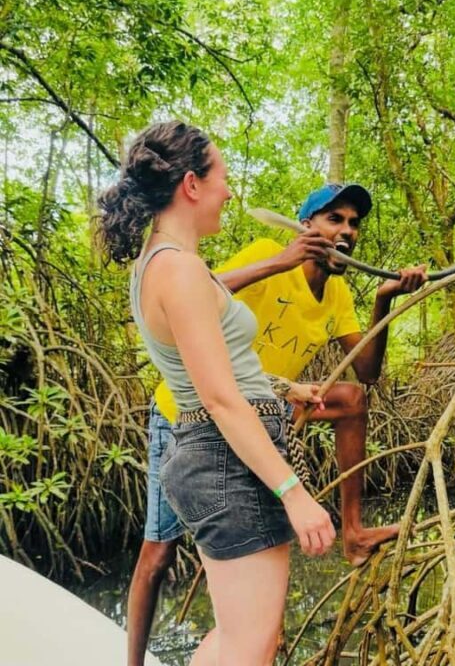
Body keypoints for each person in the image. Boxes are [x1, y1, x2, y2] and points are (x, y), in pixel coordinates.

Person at [127, 179, 426, 665]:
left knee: (350, 398)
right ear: (308, 227)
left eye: (353, 223)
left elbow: (366, 372)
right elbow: (194, 289)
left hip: (263, 412)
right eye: (335, 219)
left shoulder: (338, 294)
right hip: (188, 415)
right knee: (158, 555)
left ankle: (353, 533)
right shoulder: (268, 251)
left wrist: (384, 300)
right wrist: (282, 260)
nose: (346, 231)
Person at [99, 120, 336, 666]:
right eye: (223, 178)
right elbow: (220, 399)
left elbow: (213, 371)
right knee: (249, 648)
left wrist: (284, 388)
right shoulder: (178, 271)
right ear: (191, 184)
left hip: (213, 456)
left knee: (240, 639)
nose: (229, 192)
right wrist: (294, 494)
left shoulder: (166, 264)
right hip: (226, 461)